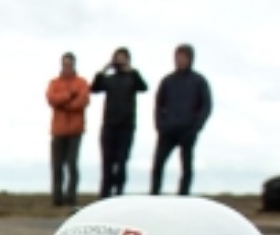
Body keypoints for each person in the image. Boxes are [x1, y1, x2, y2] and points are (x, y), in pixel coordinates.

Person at [150, 43, 212, 196]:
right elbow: (158, 104)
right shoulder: (167, 81)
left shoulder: (199, 81)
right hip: (168, 130)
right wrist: (159, 125)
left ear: (190, 59)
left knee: (186, 166)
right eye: (177, 57)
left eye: (183, 57)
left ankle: (183, 196)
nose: (180, 60)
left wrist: (196, 127)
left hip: (188, 130)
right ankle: (154, 195)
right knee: (158, 165)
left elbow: (206, 106)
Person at [90, 46, 149, 198]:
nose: (120, 60)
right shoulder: (109, 80)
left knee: (121, 162)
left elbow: (143, 87)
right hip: (109, 125)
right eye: (117, 57)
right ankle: (104, 194)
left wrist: (132, 71)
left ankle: (119, 193)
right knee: (107, 163)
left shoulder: (132, 78)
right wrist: (103, 70)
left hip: (126, 126)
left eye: (123, 57)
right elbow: (94, 88)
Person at [46, 52, 90, 207]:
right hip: (58, 130)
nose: (67, 67)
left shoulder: (82, 82)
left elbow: (81, 101)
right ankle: (57, 198)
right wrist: (69, 95)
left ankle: (71, 197)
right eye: (64, 64)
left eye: (69, 64)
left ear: (74, 65)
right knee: (57, 165)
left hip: (75, 131)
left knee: (72, 164)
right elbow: (52, 99)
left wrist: (63, 103)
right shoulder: (54, 83)